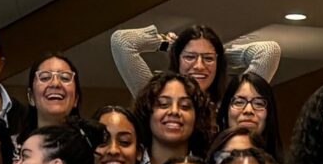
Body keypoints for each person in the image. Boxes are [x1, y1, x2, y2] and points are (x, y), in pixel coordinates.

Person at [109, 20, 282, 105]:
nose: (199, 66)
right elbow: (122, 41)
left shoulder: (232, 106)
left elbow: (269, 51)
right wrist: (169, 45)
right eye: (190, 57)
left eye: (208, 59)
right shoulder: (156, 100)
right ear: (177, 60)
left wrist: (219, 56)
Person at [132, 71, 215, 164]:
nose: (174, 111)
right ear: (147, 113)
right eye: (163, 104)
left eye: (185, 106)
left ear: (197, 118)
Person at [16, 51, 82, 135]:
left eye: (65, 78)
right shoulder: (11, 143)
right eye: (45, 77)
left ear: (76, 98)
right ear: (31, 97)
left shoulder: (92, 142)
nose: (55, 83)